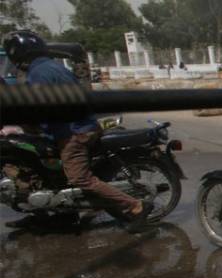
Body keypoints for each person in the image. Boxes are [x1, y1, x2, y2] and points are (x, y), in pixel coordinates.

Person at [1, 30, 152, 232]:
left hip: (74, 132)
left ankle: (135, 206)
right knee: (43, 169)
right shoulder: (51, 66)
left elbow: (37, 107)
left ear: (17, 54)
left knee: (79, 178)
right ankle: (52, 214)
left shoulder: (39, 73)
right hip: (75, 126)